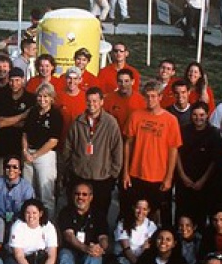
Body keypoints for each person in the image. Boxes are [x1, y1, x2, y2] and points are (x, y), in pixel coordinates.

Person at [123, 81, 182, 224]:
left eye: (154, 96)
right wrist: (125, 172)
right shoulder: (136, 116)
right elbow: (128, 144)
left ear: (160, 97)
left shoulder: (171, 120)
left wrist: (169, 177)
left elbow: (173, 149)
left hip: (159, 177)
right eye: (147, 96)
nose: (150, 100)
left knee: (162, 214)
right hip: (137, 174)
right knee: (135, 213)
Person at [63, 86, 123, 223]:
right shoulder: (78, 122)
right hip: (80, 175)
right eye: (89, 101)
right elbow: (68, 146)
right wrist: (70, 168)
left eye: (95, 101)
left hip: (102, 177)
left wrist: (113, 173)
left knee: (100, 213)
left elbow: (117, 150)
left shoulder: (110, 123)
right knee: (77, 210)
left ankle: (99, 239)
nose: (92, 104)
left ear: (102, 102)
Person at [57, 181, 109, 264]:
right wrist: (86, 248)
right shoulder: (66, 212)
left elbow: (104, 237)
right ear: (72, 196)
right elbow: (69, 236)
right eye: (77, 194)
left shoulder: (99, 215)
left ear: (91, 197)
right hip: (71, 251)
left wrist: (101, 248)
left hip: (89, 254)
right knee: (65, 255)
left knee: (96, 255)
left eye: (84, 194)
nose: (80, 197)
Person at [3, 198, 60, 264]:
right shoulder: (18, 226)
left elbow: (52, 255)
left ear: (40, 213)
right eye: (28, 213)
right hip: (22, 261)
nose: (31, 216)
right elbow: (19, 255)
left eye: (34, 213)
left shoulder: (48, 226)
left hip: (40, 260)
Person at [21, 83, 62, 220]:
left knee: (46, 193)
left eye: (46, 96)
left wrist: (36, 155)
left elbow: (53, 141)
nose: (42, 99)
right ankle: (29, 221)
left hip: (45, 156)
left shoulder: (56, 115)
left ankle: (48, 223)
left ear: (51, 98)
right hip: (29, 154)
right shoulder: (32, 112)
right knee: (28, 192)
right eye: (40, 96)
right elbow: (25, 133)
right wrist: (25, 151)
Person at [0, 155, 35, 234]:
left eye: (15, 167)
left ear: (20, 171)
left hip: (19, 223)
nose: (11, 169)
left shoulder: (27, 188)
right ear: (4, 169)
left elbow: (30, 210)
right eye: (8, 166)